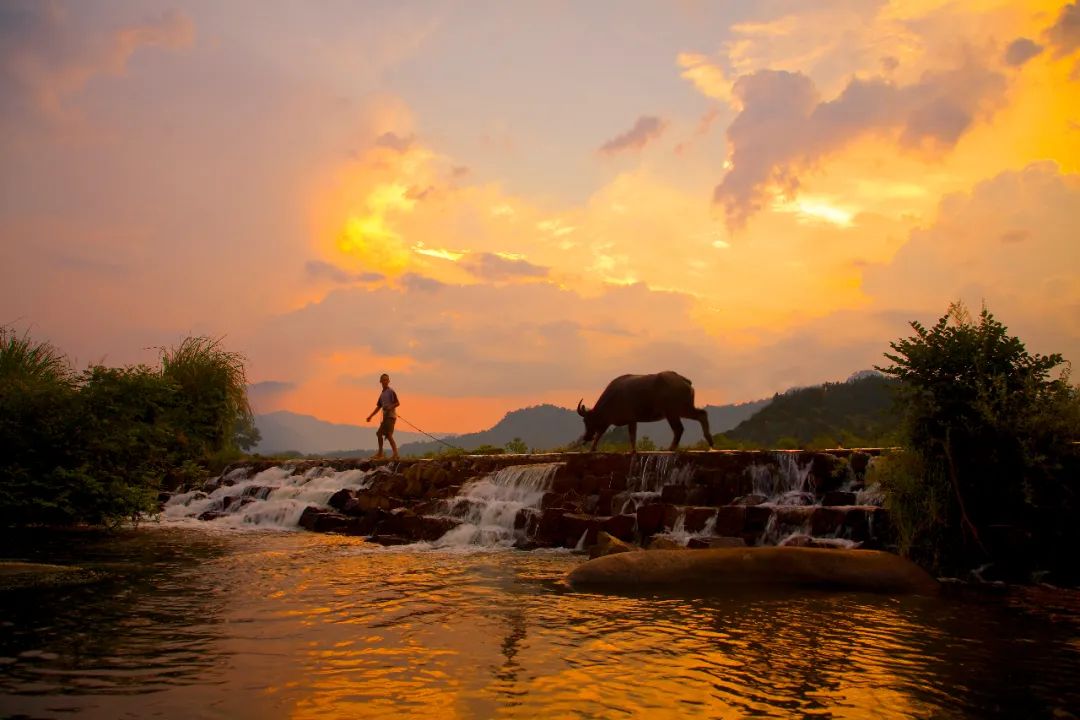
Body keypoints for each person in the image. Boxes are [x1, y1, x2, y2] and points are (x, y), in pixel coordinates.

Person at [366, 373, 400, 459]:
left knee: (388, 435)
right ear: (380, 381)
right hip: (385, 418)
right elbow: (378, 407)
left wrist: (390, 407)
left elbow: (397, 403)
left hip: (391, 417)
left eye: (386, 380)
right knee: (379, 434)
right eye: (383, 380)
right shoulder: (382, 394)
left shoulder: (391, 391)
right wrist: (371, 416)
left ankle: (395, 454)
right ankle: (380, 453)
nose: (385, 381)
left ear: (389, 381)